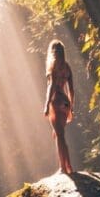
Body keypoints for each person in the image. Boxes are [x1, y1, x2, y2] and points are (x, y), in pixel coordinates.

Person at [43, 39, 75, 174]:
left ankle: (63, 167)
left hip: (56, 100)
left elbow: (51, 86)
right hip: (65, 102)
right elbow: (71, 89)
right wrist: (70, 107)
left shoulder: (53, 66)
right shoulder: (67, 67)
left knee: (59, 136)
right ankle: (68, 167)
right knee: (59, 135)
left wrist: (46, 104)